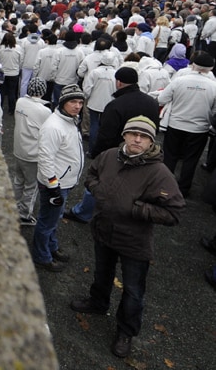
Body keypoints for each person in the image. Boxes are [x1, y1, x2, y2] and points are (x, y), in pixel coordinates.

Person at [70, 117, 185, 359]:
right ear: (124, 135)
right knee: (102, 273)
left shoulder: (159, 172)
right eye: (133, 133)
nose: (137, 139)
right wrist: (98, 190)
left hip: (134, 240)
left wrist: (137, 210)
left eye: (144, 136)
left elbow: (174, 212)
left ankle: (126, 331)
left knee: (133, 290)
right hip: (104, 230)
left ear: (152, 141)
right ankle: (98, 303)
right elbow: (92, 173)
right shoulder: (110, 155)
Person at [65, 66, 160, 224]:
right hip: (142, 151)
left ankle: (84, 213)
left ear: (119, 83)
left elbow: (105, 134)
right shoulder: (150, 102)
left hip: (117, 151)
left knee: (98, 181)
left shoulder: (116, 105)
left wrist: (97, 154)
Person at [31, 84, 85, 272]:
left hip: (64, 182)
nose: (77, 106)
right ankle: (41, 256)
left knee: (55, 218)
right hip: (55, 184)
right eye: (73, 102)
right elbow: (45, 159)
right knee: (47, 221)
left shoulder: (71, 120)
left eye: (80, 102)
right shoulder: (53, 126)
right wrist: (53, 187)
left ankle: (51, 247)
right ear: (63, 103)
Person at [158, 52, 216, 197]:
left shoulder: (180, 81)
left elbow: (162, 98)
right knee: (191, 159)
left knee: (170, 156)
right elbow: (215, 111)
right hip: (199, 128)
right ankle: (183, 189)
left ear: (193, 65)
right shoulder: (214, 86)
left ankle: (165, 185)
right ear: (211, 68)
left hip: (176, 124)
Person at [13, 77, 52, 225]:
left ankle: (14, 205)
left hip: (18, 149)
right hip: (32, 154)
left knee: (18, 180)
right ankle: (24, 214)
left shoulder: (20, 102)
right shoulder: (44, 111)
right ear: (43, 91)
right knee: (31, 186)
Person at [0, 32, 22, 115]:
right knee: (12, 92)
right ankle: (11, 109)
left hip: (3, 72)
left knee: (2, 91)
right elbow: (20, 60)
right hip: (14, 72)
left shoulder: (0, 48)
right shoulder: (18, 48)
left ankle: (0, 107)